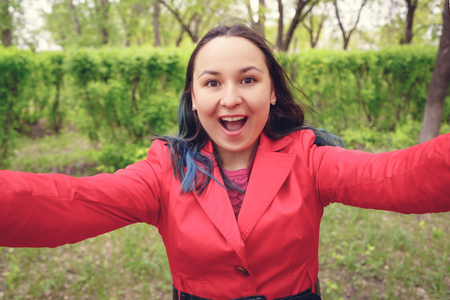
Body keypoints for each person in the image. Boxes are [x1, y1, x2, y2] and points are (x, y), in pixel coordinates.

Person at [1, 23, 450, 300]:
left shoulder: (309, 160)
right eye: (212, 83)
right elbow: (70, 202)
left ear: (272, 91)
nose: (231, 98)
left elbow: (403, 177)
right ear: (193, 98)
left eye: (248, 79)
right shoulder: (164, 170)